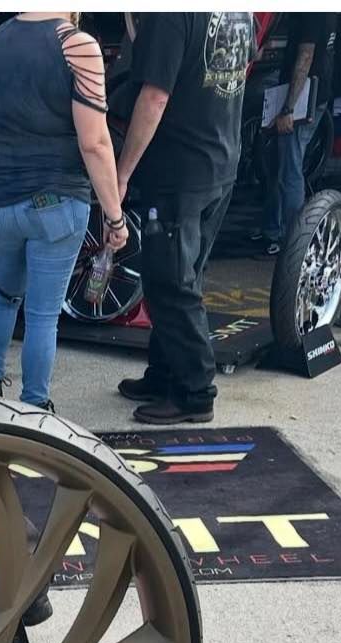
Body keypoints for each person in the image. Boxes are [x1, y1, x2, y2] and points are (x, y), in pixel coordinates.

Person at [0, 11, 129, 411]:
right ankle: (34, 408)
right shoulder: (78, 46)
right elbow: (94, 142)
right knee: (43, 316)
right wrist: (115, 216)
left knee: (2, 296)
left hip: (1, 199)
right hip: (56, 202)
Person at [115, 11, 254, 425]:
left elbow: (154, 97)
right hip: (219, 157)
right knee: (184, 274)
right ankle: (166, 371)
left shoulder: (170, 15)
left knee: (171, 282)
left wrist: (121, 174)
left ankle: (195, 392)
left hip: (180, 168)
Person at [254, 14, 337, 254]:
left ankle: (293, 241)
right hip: (314, 93)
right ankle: (273, 230)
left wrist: (289, 108)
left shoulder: (312, 16)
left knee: (289, 169)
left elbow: (306, 56)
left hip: (304, 98)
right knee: (281, 164)